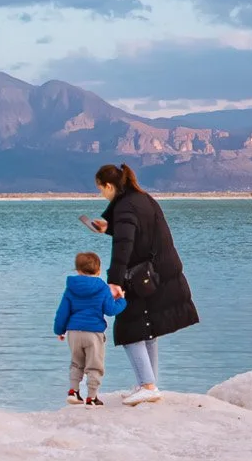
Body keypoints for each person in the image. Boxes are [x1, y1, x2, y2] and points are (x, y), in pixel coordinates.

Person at [82, 163, 199, 405]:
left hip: (143, 276)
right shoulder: (142, 199)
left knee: (129, 329)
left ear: (109, 186)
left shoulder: (125, 206)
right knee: (148, 329)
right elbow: (136, 230)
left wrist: (114, 281)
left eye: (101, 189)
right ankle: (147, 383)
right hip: (158, 274)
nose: (101, 194)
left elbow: (124, 245)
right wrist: (108, 227)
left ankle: (148, 385)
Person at [53, 250, 124, 406]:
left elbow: (62, 312)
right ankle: (91, 397)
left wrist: (60, 330)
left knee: (76, 362)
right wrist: (121, 301)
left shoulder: (71, 288)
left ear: (77, 270)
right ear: (98, 270)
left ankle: (73, 392)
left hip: (73, 332)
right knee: (94, 365)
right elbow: (110, 310)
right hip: (94, 333)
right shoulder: (102, 288)